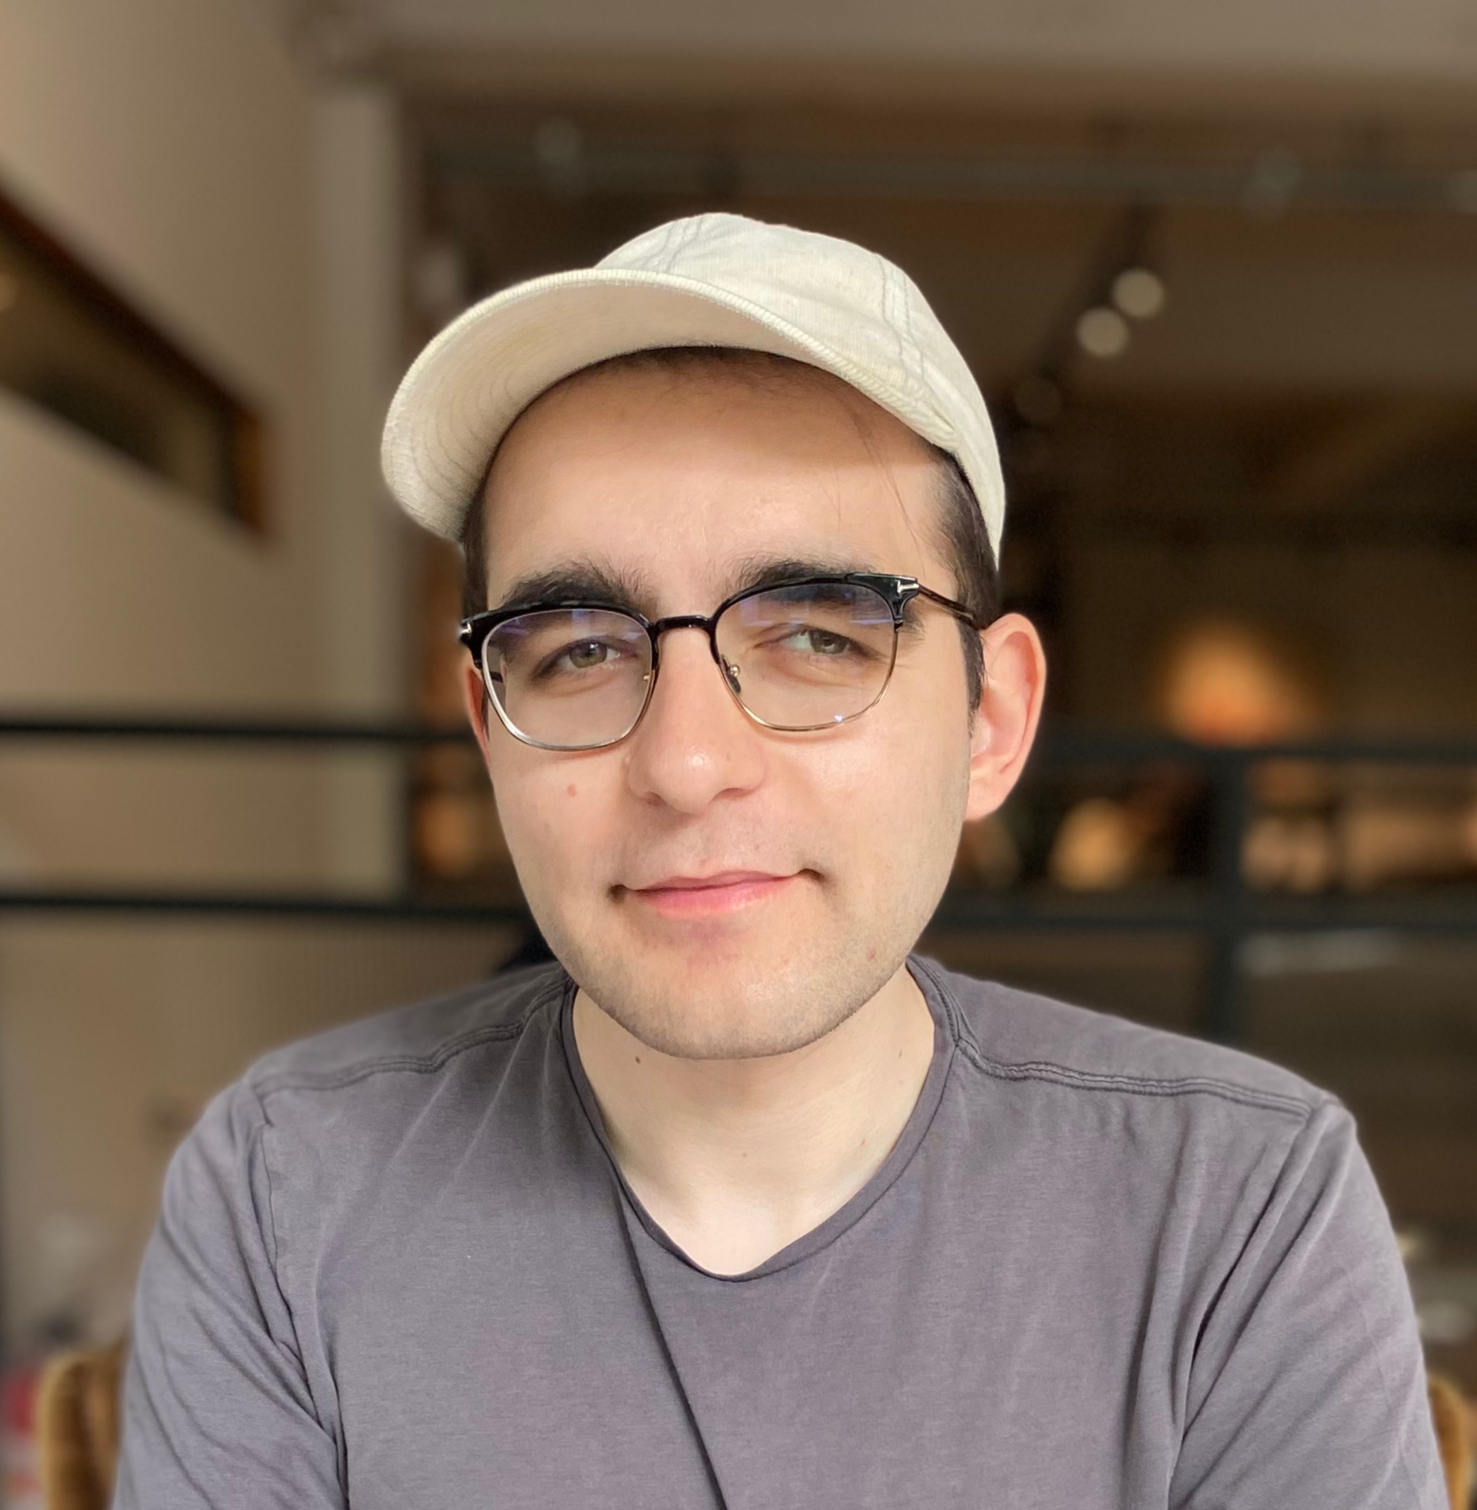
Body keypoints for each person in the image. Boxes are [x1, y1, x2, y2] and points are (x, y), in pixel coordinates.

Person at [113, 214, 1445, 1508]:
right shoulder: (286, 1188)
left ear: (992, 722)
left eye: (819, 634)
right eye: (578, 647)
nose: (689, 764)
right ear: (490, 733)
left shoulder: (1237, 1210)